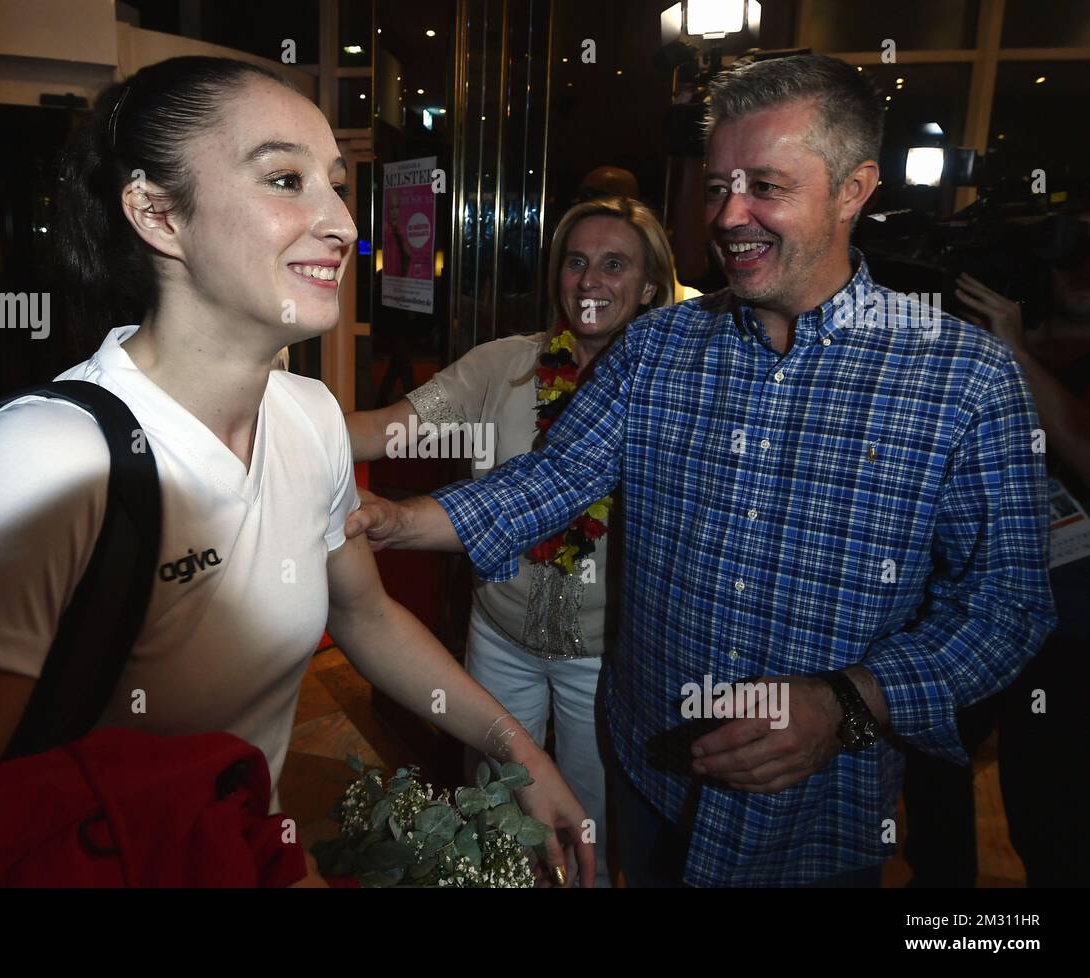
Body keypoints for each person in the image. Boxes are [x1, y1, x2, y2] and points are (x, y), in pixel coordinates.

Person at [0, 56, 593, 886]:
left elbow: (365, 617)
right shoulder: (35, 468)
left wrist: (515, 749)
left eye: (337, 183)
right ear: (157, 214)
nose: (342, 225)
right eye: (285, 179)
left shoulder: (310, 415)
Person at [347, 54, 1057, 887]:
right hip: (654, 775)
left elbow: (1006, 604)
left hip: (816, 819)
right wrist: (402, 521)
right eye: (719, 187)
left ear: (855, 188)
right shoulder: (660, 346)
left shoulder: (963, 377)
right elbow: (556, 477)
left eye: (766, 185)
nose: (731, 215)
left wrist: (847, 705)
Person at [345, 196, 676, 886]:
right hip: (498, 640)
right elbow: (385, 428)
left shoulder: (674, 392)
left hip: (606, 659)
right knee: (495, 812)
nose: (590, 281)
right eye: (576, 262)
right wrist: (268, 420)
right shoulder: (504, 366)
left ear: (649, 286)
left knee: (588, 826)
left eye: (615, 265)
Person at [901, 249, 1090, 887]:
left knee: (1051, 817)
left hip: (1070, 628)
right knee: (932, 789)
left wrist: (1016, 351)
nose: (1079, 267)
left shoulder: (1014, 349)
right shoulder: (970, 347)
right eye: (1066, 253)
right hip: (962, 612)